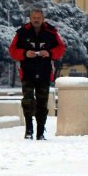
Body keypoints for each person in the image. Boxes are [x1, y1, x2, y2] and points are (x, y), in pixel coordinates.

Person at [9, 8, 65, 139]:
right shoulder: (22, 32)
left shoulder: (51, 32)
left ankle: (40, 132)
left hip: (44, 72)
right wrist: (24, 53)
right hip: (27, 72)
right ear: (30, 18)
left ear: (43, 19)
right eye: (34, 18)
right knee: (27, 101)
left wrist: (50, 53)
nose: (36, 20)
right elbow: (12, 50)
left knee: (42, 103)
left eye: (38, 18)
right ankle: (29, 130)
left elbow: (61, 48)